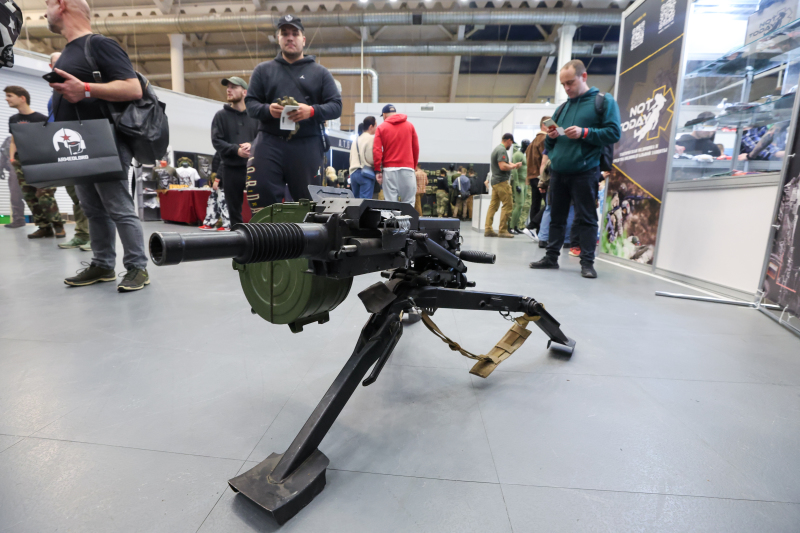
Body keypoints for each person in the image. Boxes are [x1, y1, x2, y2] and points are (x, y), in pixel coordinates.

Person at [46, 0, 151, 291]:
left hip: (105, 140)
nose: (45, 11)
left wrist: (86, 89)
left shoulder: (99, 44)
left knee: (118, 207)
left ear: (62, 5)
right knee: (92, 209)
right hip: (77, 142)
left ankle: (137, 267)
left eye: (48, 4)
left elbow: (133, 87)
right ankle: (103, 264)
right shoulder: (68, 51)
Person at [529, 59, 621, 278]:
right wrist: (552, 137)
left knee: (586, 218)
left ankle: (587, 263)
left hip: (585, 171)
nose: (567, 88)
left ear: (584, 77)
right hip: (559, 172)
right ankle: (551, 257)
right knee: (556, 217)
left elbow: (614, 132)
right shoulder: (562, 109)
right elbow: (550, 145)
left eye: (570, 82)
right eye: (563, 84)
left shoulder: (603, 101)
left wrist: (585, 132)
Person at [244, 15, 342, 210]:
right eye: (285, 33)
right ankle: (266, 231)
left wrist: (311, 111)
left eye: (295, 34)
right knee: (262, 195)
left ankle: (305, 231)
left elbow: (336, 106)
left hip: (307, 144)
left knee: (309, 203)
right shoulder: (262, 70)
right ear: (278, 38)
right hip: (269, 143)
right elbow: (250, 104)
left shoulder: (320, 73)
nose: (290, 38)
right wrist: (267, 110)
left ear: (303, 40)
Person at [5, 85, 66, 239]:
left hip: (40, 161)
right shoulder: (13, 119)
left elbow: (51, 141)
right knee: (30, 196)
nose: (6, 99)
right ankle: (44, 227)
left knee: (44, 194)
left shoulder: (41, 119)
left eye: (10, 95)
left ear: (22, 98)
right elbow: (14, 141)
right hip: (21, 162)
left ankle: (58, 226)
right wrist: (12, 158)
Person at [45, 52, 92, 250]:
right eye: (57, 64)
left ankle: (95, 237)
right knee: (75, 195)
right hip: (64, 151)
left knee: (89, 196)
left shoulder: (80, 89)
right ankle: (82, 234)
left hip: (80, 149)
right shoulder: (53, 97)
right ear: (51, 67)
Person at [211, 76, 258, 226]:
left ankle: (259, 236)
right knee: (234, 211)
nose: (229, 90)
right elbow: (216, 141)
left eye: (233, 87)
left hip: (254, 169)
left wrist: (252, 145)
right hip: (231, 169)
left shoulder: (255, 116)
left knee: (258, 208)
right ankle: (238, 236)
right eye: (228, 87)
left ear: (244, 92)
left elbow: (263, 137)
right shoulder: (220, 116)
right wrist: (236, 150)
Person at [373, 104, 419, 206]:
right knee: (409, 203)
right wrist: (413, 166)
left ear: (384, 115)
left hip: (389, 171)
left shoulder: (381, 128)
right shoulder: (410, 126)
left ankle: (392, 217)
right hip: (407, 169)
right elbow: (415, 148)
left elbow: (377, 150)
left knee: (390, 204)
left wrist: (377, 170)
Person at [485, 133, 522, 238]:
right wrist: (514, 167)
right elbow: (502, 166)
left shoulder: (497, 149)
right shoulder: (502, 150)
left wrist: (514, 165)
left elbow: (506, 162)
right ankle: (503, 230)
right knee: (508, 205)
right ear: (509, 140)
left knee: (493, 206)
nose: (511, 145)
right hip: (502, 182)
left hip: (495, 182)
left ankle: (488, 229)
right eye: (511, 143)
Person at [522, 117, 549, 240]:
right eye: (551, 123)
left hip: (532, 177)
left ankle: (535, 231)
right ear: (544, 125)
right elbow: (546, 160)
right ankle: (532, 226)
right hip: (541, 176)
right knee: (550, 204)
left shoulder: (532, 142)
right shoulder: (545, 139)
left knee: (535, 204)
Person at [199, 152, 230, 231]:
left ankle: (227, 224)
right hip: (218, 178)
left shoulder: (226, 150)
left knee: (223, 202)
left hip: (224, 179)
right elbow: (216, 166)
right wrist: (213, 179)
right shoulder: (219, 150)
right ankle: (209, 223)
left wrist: (217, 179)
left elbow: (223, 164)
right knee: (212, 201)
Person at [1, 136, 25, 228]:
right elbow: (3, 155)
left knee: (39, 196)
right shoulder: (8, 140)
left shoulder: (31, 136)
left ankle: (46, 222)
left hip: (31, 169)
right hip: (14, 170)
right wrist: (0, 168)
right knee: (15, 196)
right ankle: (18, 220)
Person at [349, 116, 377, 198]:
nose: (376, 128)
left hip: (353, 173)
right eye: (376, 126)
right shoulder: (370, 138)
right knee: (365, 202)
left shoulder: (356, 140)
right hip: (365, 173)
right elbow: (370, 159)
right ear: (371, 126)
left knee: (356, 202)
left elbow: (350, 158)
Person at [509, 141, 528, 233]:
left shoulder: (523, 155)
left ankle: (515, 226)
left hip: (524, 182)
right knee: (519, 204)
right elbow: (514, 169)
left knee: (521, 205)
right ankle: (511, 226)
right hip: (519, 182)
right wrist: (516, 184)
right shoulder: (518, 155)